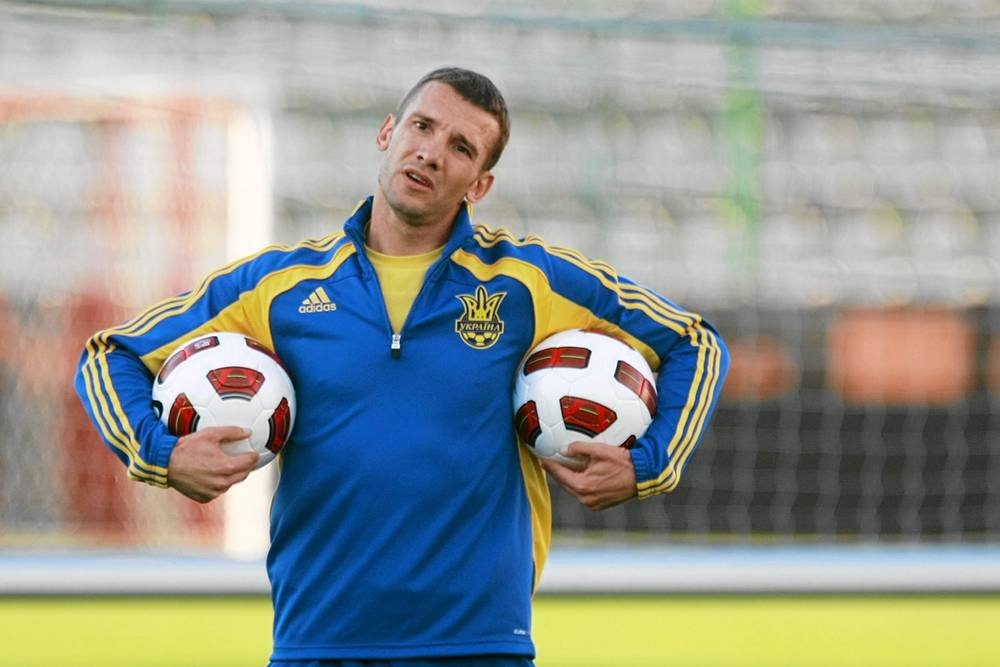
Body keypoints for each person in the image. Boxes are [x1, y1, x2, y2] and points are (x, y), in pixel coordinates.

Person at [75, 67, 729, 666]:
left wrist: (650, 465)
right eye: (422, 126)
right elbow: (110, 354)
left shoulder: (529, 280)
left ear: (480, 184)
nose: (431, 152)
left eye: (461, 147)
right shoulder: (278, 285)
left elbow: (694, 343)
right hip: (317, 642)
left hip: (479, 645)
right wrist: (162, 454)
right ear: (388, 132)